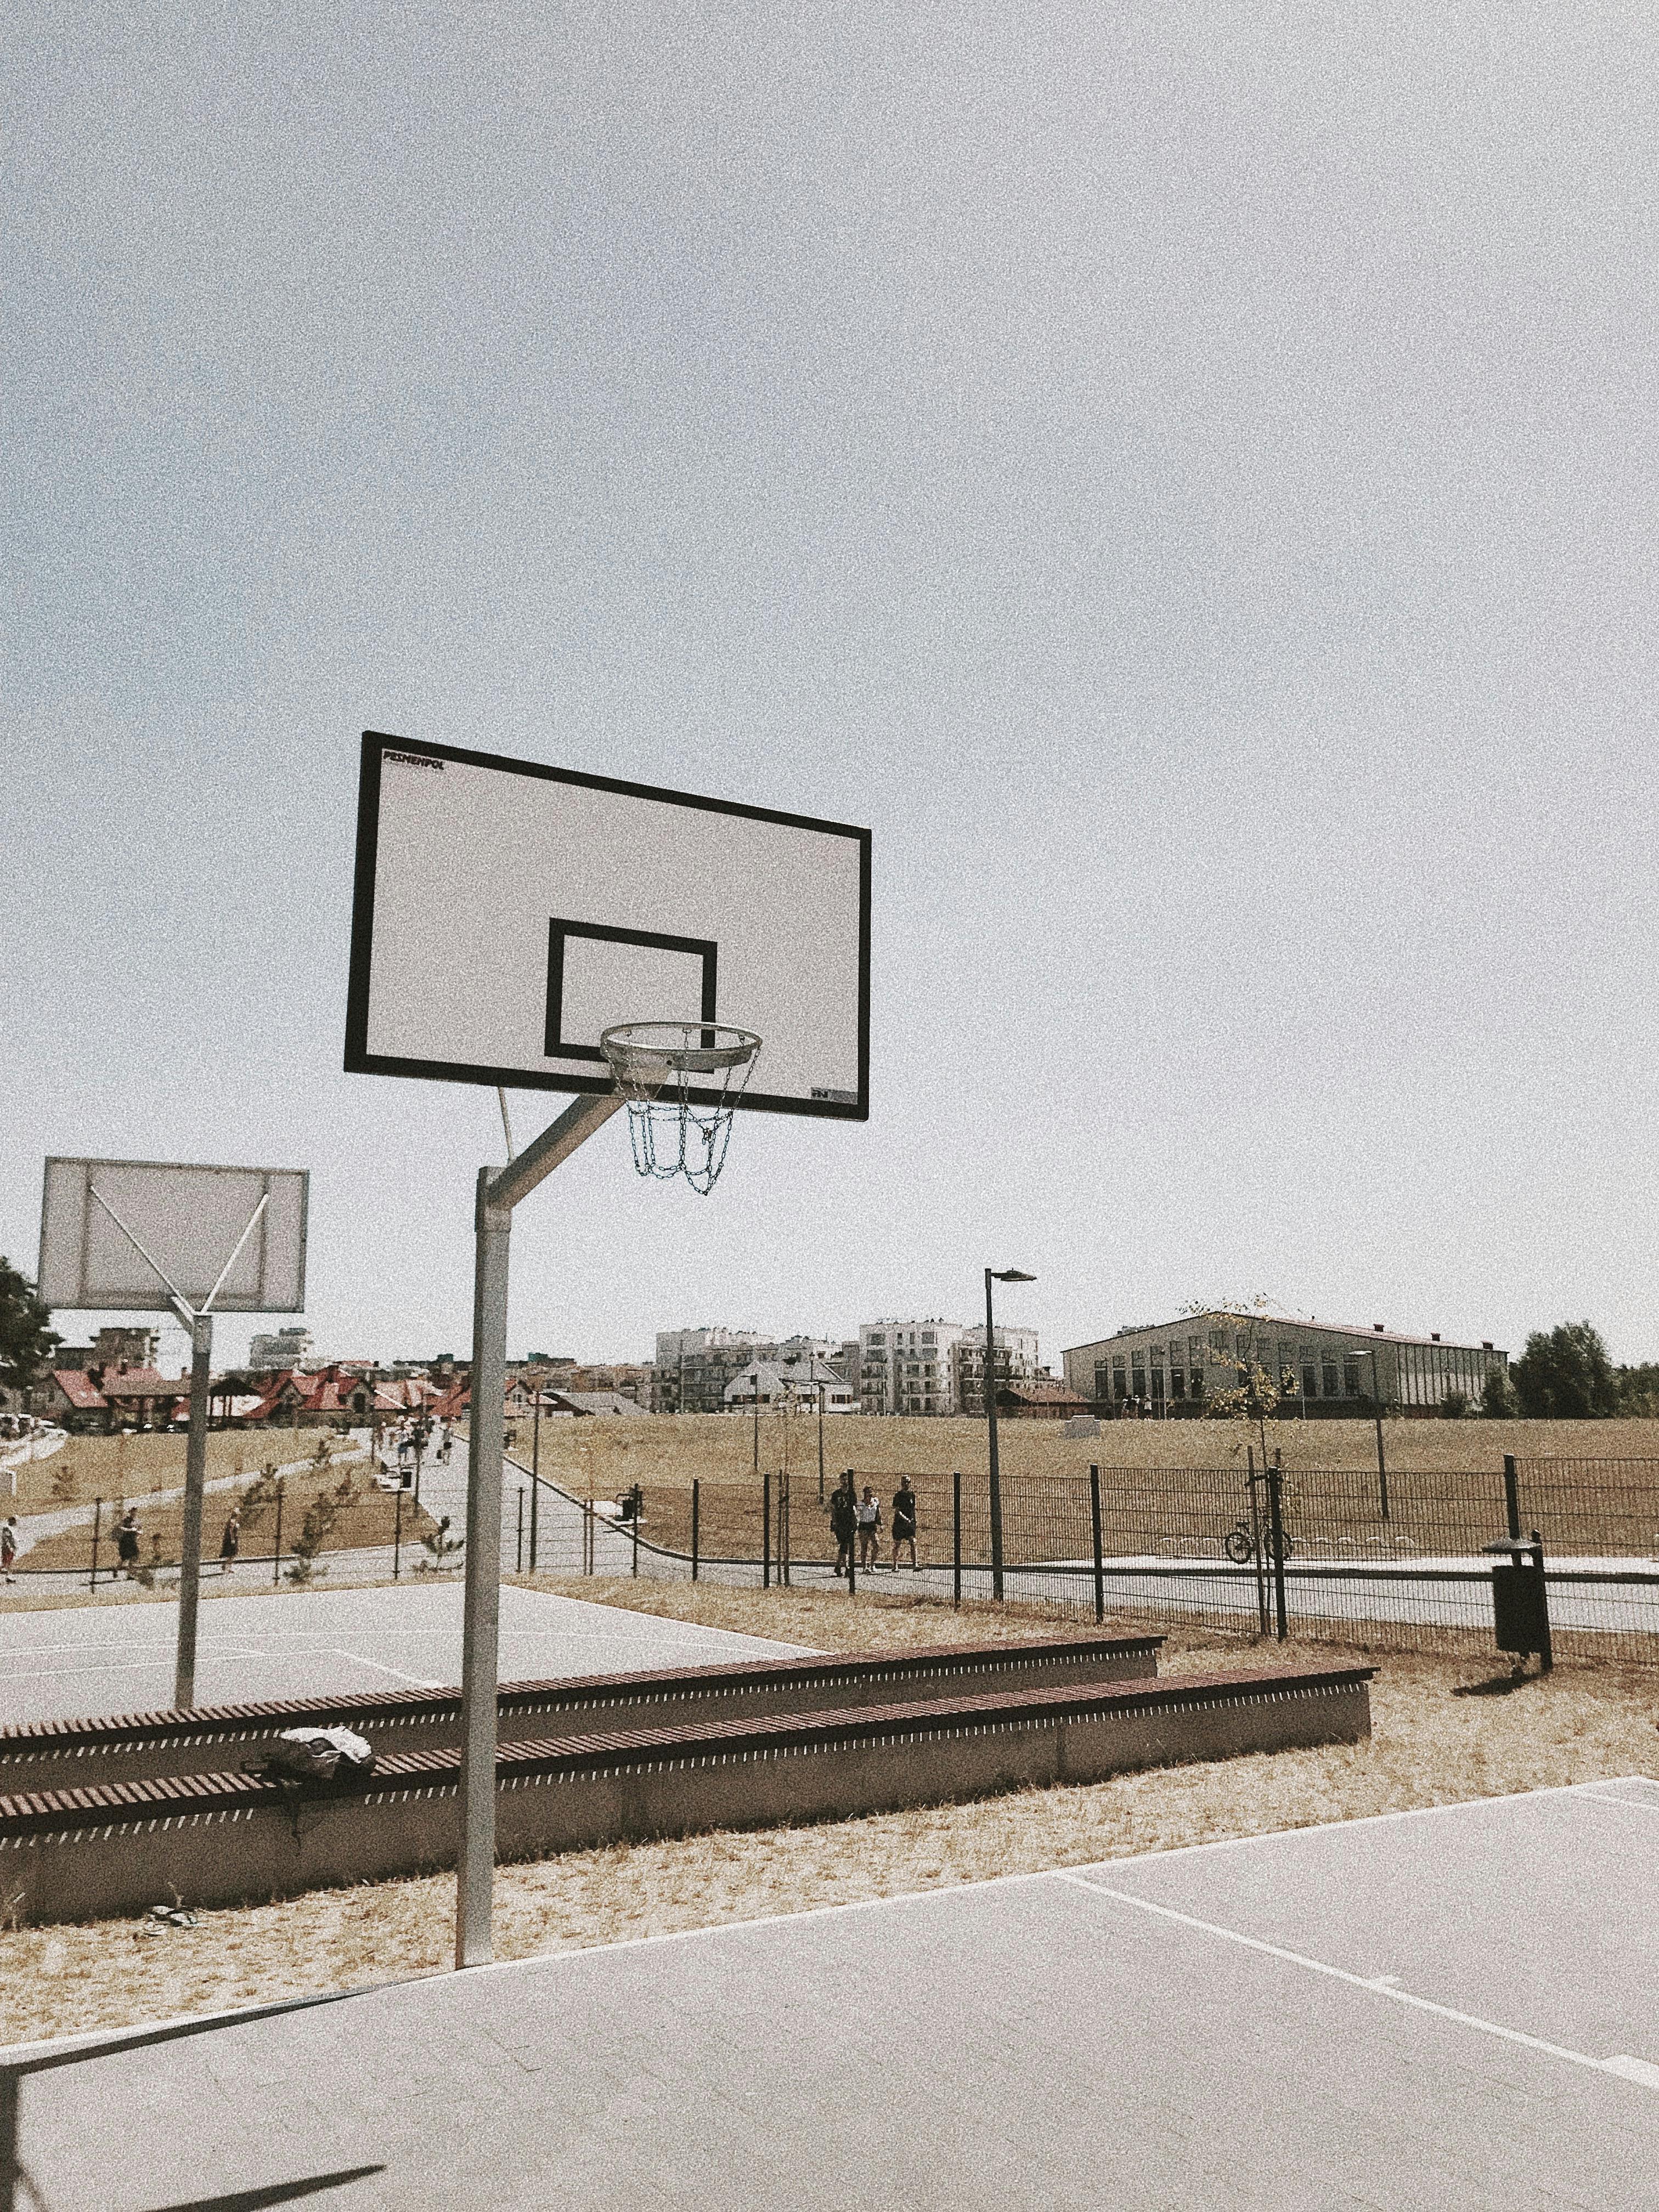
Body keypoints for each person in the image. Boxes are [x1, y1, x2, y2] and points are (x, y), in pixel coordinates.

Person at [828, 1471, 857, 1578]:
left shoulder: (852, 1494)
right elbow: (833, 1509)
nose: (845, 1482)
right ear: (840, 1481)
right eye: (843, 1480)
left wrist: (856, 1521)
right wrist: (835, 1522)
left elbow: (854, 1509)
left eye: (846, 1480)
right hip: (840, 1523)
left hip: (849, 1523)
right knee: (844, 1545)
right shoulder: (836, 1494)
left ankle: (840, 1567)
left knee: (846, 1546)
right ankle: (846, 1568)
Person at [890, 1476, 918, 1570]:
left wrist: (914, 1520)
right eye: (904, 1482)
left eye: (908, 1482)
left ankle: (915, 1564)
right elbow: (897, 1511)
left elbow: (913, 1509)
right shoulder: (898, 1495)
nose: (906, 1484)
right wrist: (906, 1519)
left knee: (913, 1542)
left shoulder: (912, 1495)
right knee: (897, 1544)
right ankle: (895, 1564)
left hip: (910, 1524)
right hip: (899, 1524)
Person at [855, 1484, 882, 1572]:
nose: (870, 1495)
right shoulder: (861, 1504)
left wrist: (881, 1524)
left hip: (872, 1525)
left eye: (871, 1492)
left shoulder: (875, 1501)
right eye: (868, 1493)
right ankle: (864, 1567)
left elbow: (878, 1513)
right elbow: (856, 1514)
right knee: (864, 1547)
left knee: (876, 1545)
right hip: (864, 1525)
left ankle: (872, 1564)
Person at [116, 1506, 142, 1578]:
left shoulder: (137, 1521)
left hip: (133, 1542)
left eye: (135, 1512)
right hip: (126, 1542)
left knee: (134, 1557)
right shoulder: (126, 1520)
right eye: (132, 1512)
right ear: (130, 1512)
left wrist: (138, 1532)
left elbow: (140, 1530)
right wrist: (130, 1530)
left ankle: (129, 1574)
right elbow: (121, 1528)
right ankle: (116, 1569)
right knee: (124, 1559)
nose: (134, 1513)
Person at [218, 1508, 241, 1576]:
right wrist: (232, 1539)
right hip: (231, 1540)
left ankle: (228, 1567)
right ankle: (225, 1566)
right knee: (231, 1554)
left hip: (234, 1538)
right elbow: (231, 1531)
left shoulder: (234, 1521)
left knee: (232, 1554)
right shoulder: (232, 1521)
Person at [1, 1516, 17, 1584]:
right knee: (6, 1564)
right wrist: (11, 1547)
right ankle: (9, 1577)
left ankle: (9, 1577)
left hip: (7, 1548)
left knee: (8, 1564)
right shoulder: (6, 1529)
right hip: (7, 1549)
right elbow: (8, 1540)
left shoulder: (8, 1529)